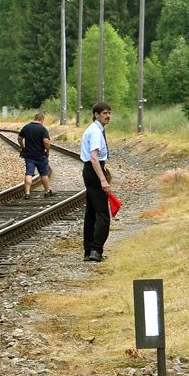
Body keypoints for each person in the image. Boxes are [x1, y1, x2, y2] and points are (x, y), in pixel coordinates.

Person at [80, 102, 112, 262]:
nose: (108, 116)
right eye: (105, 113)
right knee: (103, 214)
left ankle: (89, 250)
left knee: (91, 213)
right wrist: (103, 179)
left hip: (91, 171)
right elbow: (94, 158)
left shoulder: (96, 130)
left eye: (109, 113)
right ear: (96, 115)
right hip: (94, 170)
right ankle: (96, 250)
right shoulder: (95, 132)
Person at [17, 112, 54, 199]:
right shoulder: (43, 129)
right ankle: (47, 191)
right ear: (42, 119)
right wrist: (47, 150)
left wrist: (22, 147)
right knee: (44, 174)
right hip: (40, 155)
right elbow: (46, 141)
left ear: (35, 118)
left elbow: (19, 138)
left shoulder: (26, 127)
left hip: (29, 155)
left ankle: (27, 193)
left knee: (29, 173)